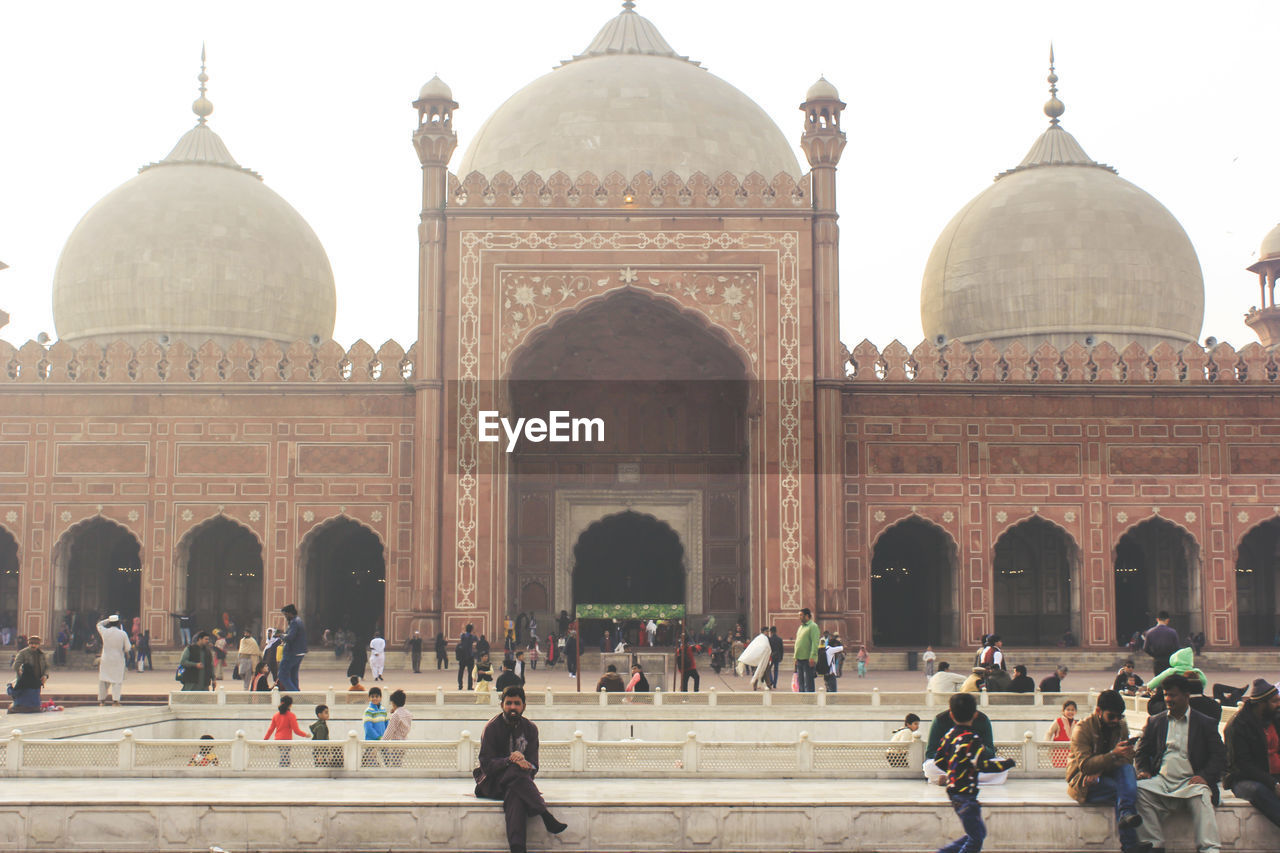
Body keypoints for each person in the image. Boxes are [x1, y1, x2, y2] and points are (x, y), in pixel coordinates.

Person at [1134, 673, 1225, 853]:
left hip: (1191, 782)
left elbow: (1220, 756)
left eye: (1173, 695)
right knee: (1138, 790)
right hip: (1162, 782)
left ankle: (1209, 849)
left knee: (1202, 795)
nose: (1168, 699)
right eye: (1166, 694)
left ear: (1186, 695)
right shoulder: (1155, 722)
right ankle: (1154, 844)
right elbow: (1141, 753)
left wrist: (1205, 776)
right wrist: (1143, 770)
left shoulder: (1205, 723)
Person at [474, 685, 568, 853]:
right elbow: (486, 765)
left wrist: (524, 763)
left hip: (517, 784)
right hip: (492, 783)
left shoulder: (530, 729)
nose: (512, 707)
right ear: (502, 705)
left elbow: (534, 766)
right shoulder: (491, 728)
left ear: (524, 705)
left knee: (515, 796)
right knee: (515, 771)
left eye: (517, 703)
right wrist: (510, 760)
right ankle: (544, 814)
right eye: (508, 703)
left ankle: (518, 849)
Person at [931, 691, 1017, 853]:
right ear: (975, 714)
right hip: (965, 793)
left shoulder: (949, 735)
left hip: (954, 790)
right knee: (976, 838)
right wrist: (1006, 764)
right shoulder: (973, 738)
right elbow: (983, 765)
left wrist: (954, 770)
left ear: (951, 714)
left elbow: (938, 759)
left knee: (977, 833)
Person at [1065, 689, 1148, 853]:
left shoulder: (1121, 726)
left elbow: (1125, 759)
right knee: (1123, 790)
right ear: (1098, 711)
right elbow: (1085, 766)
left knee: (1128, 771)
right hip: (1083, 781)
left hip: (1107, 773)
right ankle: (1130, 844)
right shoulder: (1082, 729)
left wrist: (1115, 759)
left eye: (1120, 716)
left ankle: (1125, 816)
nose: (1116, 720)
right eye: (1112, 716)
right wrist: (1112, 755)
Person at [1222, 678, 1280, 829]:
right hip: (1244, 779)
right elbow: (1243, 766)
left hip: (1274, 775)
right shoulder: (1238, 725)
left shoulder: (1275, 719)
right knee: (1259, 791)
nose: (1278, 704)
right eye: (1274, 701)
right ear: (1261, 704)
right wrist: (1273, 784)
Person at [924, 703, 1009, 786]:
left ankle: (952, 779)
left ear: (975, 714)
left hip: (974, 762)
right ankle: (966, 779)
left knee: (1001, 766)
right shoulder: (940, 720)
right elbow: (931, 753)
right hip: (951, 763)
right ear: (952, 714)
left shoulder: (982, 720)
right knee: (929, 766)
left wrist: (982, 749)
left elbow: (991, 752)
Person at [95, 615, 131, 706]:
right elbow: (127, 648)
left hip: (106, 659)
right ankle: (115, 701)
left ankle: (102, 701)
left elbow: (99, 625)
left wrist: (108, 620)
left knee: (103, 681)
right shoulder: (123, 633)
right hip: (118, 660)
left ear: (110, 623)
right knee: (117, 681)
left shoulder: (105, 632)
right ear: (118, 623)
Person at [7, 635, 48, 713]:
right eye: (31, 643)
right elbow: (16, 665)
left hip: (35, 679)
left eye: (35, 644)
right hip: (28, 679)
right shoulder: (23, 653)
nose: (33, 645)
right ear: (28, 643)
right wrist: (20, 673)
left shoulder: (42, 654)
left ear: (39, 644)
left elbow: (46, 667)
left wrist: (45, 676)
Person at [278, 604, 307, 691]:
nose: (285, 617)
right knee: (293, 676)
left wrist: (281, 636)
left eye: (286, 614)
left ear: (291, 613)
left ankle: (294, 694)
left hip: (292, 652)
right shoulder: (299, 621)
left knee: (282, 675)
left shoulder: (294, 622)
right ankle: (297, 695)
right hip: (299, 652)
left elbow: (290, 638)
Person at [1142, 612, 1180, 677]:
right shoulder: (1172, 632)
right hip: (1169, 660)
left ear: (1157, 619)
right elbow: (1177, 648)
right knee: (1169, 682)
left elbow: (1145, 648)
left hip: (1157, 661)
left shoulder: (1150, 632)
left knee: (1159, 682)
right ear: (1168, 620)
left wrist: (1154, 655)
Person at [382, 688, 412, 766]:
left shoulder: (396, 715)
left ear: (393, 703)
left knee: (394, 765)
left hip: (396, 745)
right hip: (404, 742)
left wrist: (381, 743)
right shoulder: (408, 713)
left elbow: (389, 731)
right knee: (398, 763)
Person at [1047, 699, 1078, 769]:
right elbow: (1049, 733)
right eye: (1068, 709)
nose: (1070, 712)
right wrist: (1047, 745)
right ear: (1063, 711)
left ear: (1075, 712)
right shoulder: (1058, 721)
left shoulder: (1076, 724)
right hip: (1059, 753)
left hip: (1071, 753)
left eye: (1072, 710)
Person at [794, 608, 819, 693]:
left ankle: (810, 701)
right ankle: (802, 700)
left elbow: (815, 643)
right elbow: (798, 643)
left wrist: (812, 657)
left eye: (801, 615)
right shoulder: (801, 627)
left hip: (808, 659)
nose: (799, 617)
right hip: (800, 659)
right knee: (800, 682)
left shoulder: (813, 626)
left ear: (807, 616)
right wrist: (795, 657)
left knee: (808, 682)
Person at [311, 704, 342, 768]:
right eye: (326, 713)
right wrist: (320, 754)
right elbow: (320, 741)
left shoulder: (322, 724)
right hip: (321, 753)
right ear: (319, 715)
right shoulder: (320, 727)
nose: (328, 715)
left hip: (323, 752)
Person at [457, 623, 476, 691]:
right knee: (470, 672)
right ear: (471, 630)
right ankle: (469, 686)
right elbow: (477, 640)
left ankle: (460, 685)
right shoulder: (472, 636)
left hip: (462, 656)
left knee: (461, 671)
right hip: (469, 656)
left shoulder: (462, 636)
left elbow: (461, 634)